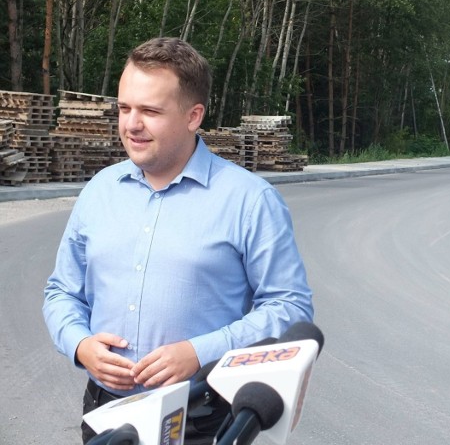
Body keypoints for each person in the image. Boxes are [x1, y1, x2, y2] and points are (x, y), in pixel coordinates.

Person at [42, 37, 314, 444]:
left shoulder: (250, 200)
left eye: (150, 111)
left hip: (203, 417)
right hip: (107, 413)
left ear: (193, 116)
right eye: (125, 108)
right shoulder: (99, 191)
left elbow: (291, 307)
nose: (132, 124)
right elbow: (61, 290)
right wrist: (80, 344)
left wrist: (199, 351)